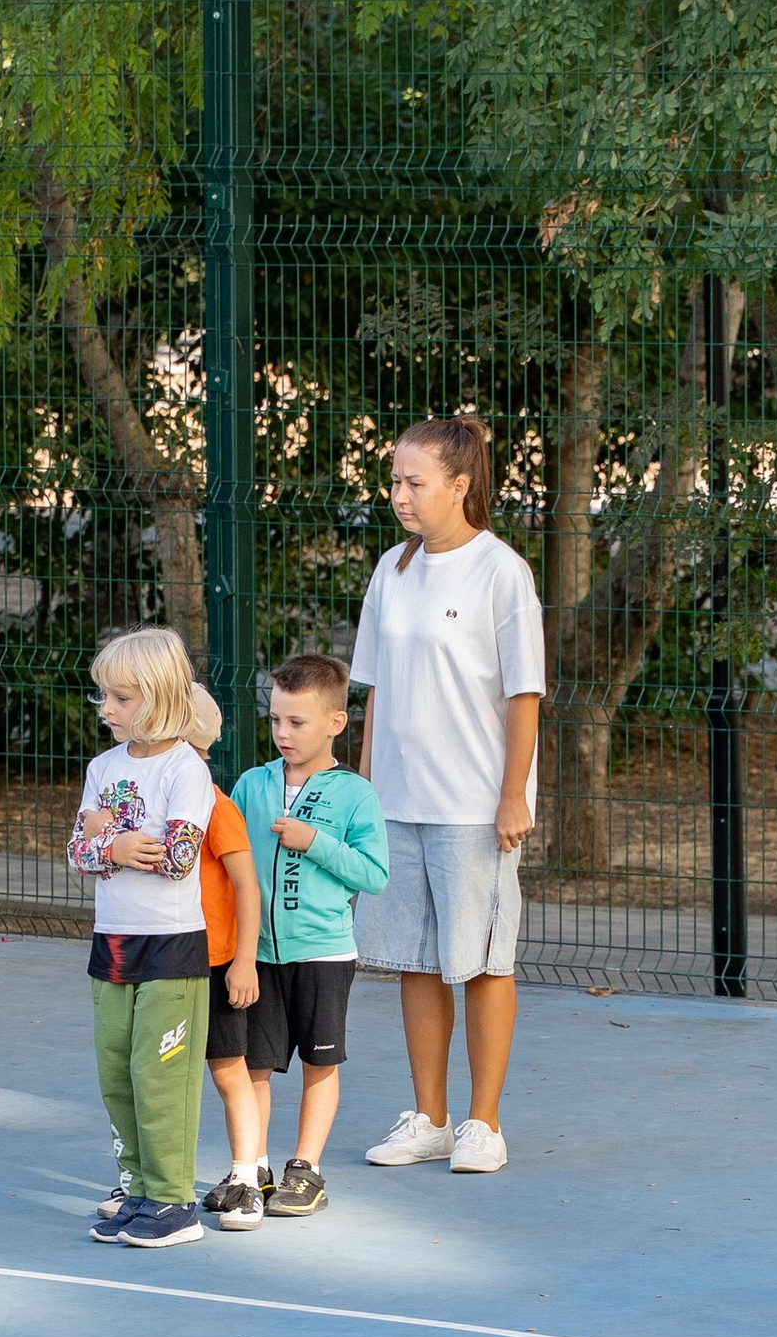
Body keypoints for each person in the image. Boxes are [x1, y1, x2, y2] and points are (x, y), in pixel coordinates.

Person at [350, 417, 546, 1177]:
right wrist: (362, 793)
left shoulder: (502, 572)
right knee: (415, 962)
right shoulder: (391, 569)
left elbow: (524, 694)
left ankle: (483, 1123)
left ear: (460, 485)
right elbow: (375, 691)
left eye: (415, 482)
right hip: (397, 804)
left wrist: (512, 796)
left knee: (485, 963)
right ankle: (429, 1119)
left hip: (474, 810)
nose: (399, 495)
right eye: (395, 481)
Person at [227, 654, 391, 1222]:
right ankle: (252, 1167)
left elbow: (374, 874)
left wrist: (315, 842)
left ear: (335, 724)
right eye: (276, 719)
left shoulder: (356, 794)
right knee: (253, 1064)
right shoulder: (252, 784)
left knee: (320, 1064)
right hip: (257, 954)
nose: (283, 732)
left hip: (323, 953)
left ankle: (306, 1169)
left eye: (297, 722)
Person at [69, 626, 214, 1251]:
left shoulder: (186, 769)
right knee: (117, 1073)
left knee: (161, 1076)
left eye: (121, 698)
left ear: (157, 697)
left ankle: (174, 1202)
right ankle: (139, 1191)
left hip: (171, 948)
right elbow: (77, 852)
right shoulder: (102, 767)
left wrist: (110, 839)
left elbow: (179, 858)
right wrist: (113, 845)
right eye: (105, 695)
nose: (106, 708)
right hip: (112, 944)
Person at [181, 686, 267, 1230]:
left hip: (215, 962)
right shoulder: (151, 800)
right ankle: (150, 1178)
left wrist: (244, 961)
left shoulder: (215, 804)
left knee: (229, 1070)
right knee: (162, 1073)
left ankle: (246, 1178)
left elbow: (246, 885)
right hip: (165, 956)